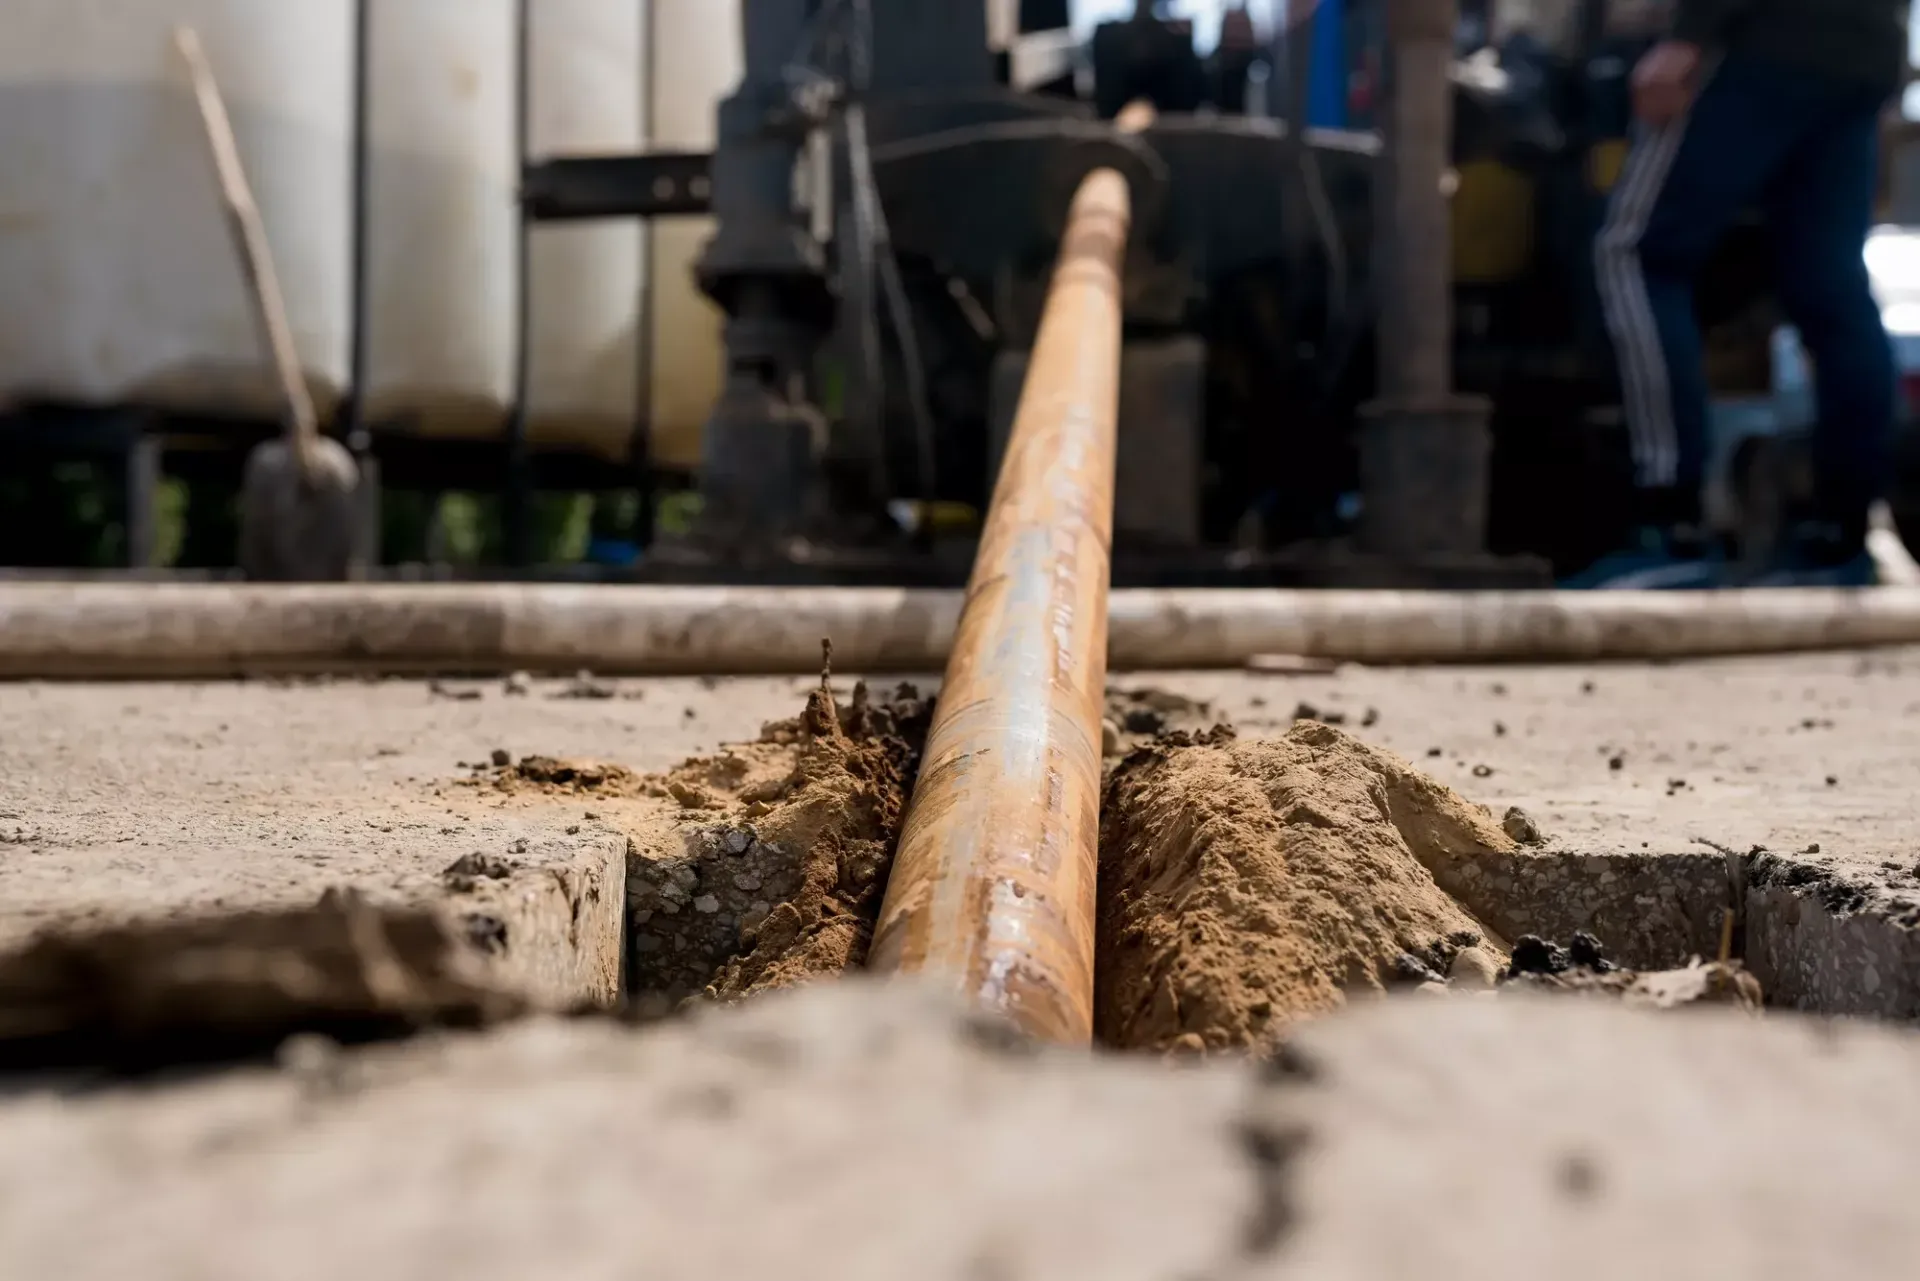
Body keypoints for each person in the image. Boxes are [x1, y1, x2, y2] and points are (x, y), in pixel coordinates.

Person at [1575, 0, 1907, 588]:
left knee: (1633, 253)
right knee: (1829, 287)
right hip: (1867, 48)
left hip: (1760, 40)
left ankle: (1668, 525)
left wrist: (1688, 36)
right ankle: (1838, 538)